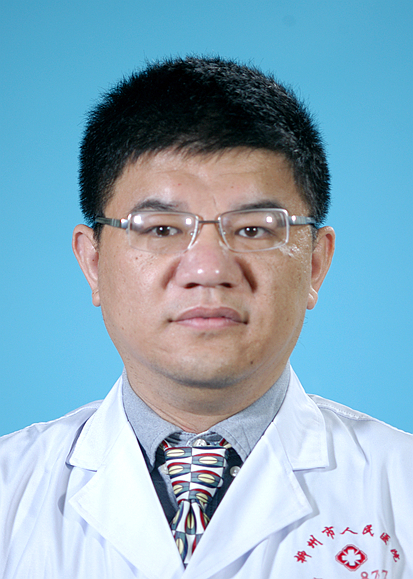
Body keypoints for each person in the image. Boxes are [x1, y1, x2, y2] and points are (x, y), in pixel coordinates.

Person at [0, 56, 412, 579]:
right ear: (93, 263)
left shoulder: (402, 488)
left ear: (314, 264)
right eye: (161, 229)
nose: (209, 269)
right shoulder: (9, 491)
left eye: (254, 229)